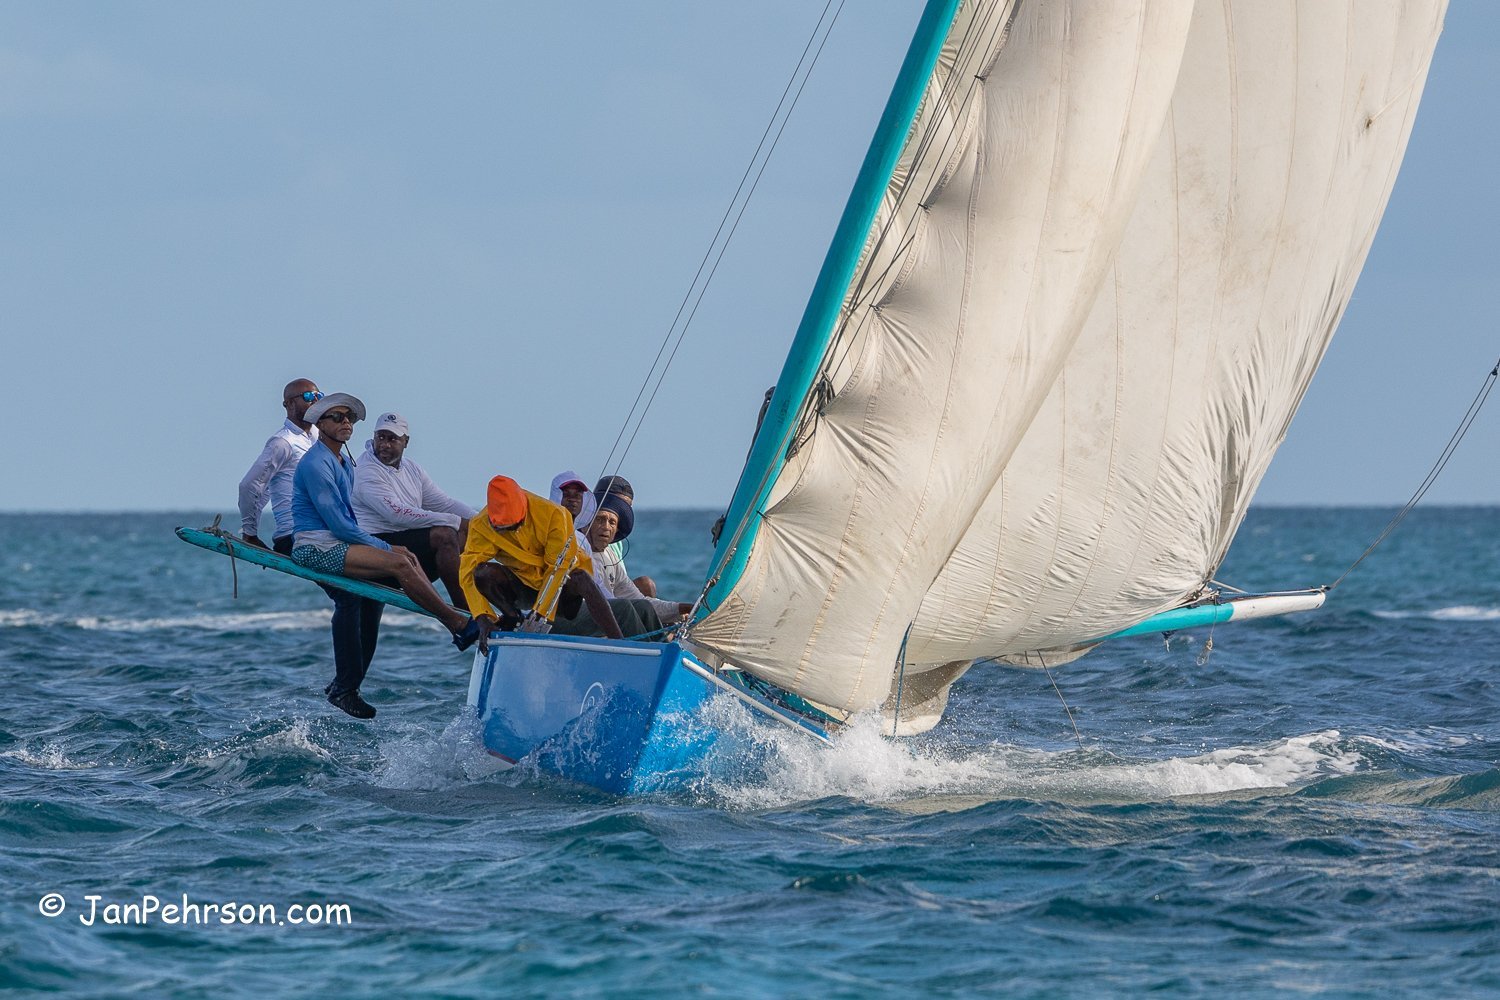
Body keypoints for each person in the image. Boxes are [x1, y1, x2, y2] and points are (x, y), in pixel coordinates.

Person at [292, 393, 471, 719]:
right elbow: (340, 525)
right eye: (336, 417)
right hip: (316, 547)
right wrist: (385, 547)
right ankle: (457, 621)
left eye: (348, 417)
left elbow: (350, 524)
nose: (345, 423)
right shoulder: (317, 464)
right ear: (319, 424)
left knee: (371, 598)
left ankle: (346, 688)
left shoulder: (343, 462)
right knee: (400, 563)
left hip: (341, 543)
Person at [456, 476, 622, 654]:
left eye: (515, 525)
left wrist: (540, 616)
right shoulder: (480, 525)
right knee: (481, 573)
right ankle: (512, 618)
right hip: (523, 583)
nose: (511, 531)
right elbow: (467, 572)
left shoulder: (554, 514)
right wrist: (482, 617)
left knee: (581, 578)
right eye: (504, 529)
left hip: (561, 589)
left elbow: (557, 569)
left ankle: (619, 642)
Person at [352, 412, 473, 611]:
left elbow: (444, 503)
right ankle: (465, 611)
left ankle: (497, 609)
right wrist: (457, 522)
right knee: (445, 534)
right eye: (380, 437)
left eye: (392, 439)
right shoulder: (366, 470)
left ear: (405, 442)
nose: (385, 444)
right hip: (375, 548)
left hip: (402, 542)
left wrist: (482, 523)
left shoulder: (412, 469)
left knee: (471, 535)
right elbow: (398, 515)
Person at [238, 378, 322, 554]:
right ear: (289, 404)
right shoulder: (283, 442)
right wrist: (250, 533)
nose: (315, 400)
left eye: (318, 396)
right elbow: (251, 485)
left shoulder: (317, 436)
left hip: (320, 531)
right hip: (295, 536)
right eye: (308, 396)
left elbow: (268, 488)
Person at [587, 492, 692, 631]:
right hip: (579, 619)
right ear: (587, 521)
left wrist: (679, 608)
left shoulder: (610, 555)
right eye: (600, 520)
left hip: (610, 616)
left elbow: (641, 602)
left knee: (642, 604)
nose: (606, 527)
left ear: (617, 529)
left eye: (612, 522)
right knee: (623, 607)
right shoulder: (579, 548)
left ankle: (660, 646)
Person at [594, 475, 659, 597]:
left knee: (646, 585)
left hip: (614, 596)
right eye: (614, 506)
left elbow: (621, 585)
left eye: (625, 508)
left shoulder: (615, 540)